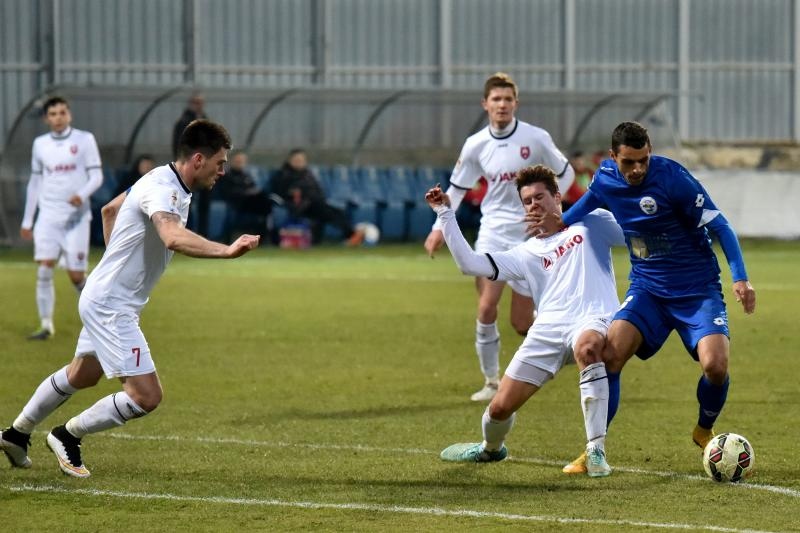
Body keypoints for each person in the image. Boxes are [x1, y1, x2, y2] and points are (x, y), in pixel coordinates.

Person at [0, 119, 260, 478]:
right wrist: (227, 251)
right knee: (146, 396)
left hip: (103, 294)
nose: (223, 170)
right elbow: (171, 236)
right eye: (220, 162)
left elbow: (109, 210)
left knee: (82, 374)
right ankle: (67, 435)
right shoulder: (165, 190)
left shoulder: (157, 177)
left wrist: (116, 263)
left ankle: (16, 433)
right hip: (112, 306)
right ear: (198, 159)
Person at [529, 121, 757, 474]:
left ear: (650, 153)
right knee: (610, 356)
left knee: (715, 366)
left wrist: (740, 278)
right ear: (612, 157)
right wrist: (557, 227)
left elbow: (720, 225)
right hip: (648, 288)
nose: (637, 169)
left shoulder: (673, 179)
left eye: (643, 161)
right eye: (628, 163)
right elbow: (586, 205)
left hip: (697, 290)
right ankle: (594, 451)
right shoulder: (605, 178)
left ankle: (703, 427)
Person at [428, 165, 625, 477]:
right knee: (499, 409)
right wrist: (445, 214)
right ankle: (490, 449)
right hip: (546, 330)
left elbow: (636, 230)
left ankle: (596, 450)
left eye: (540, 197)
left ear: (557, 196)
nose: (534, 205)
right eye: (527, 201)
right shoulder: (525, 252)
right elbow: (470, 264)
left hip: (593, 317)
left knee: (588, 348)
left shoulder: (591, 223)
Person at [423, 72, 576, 402]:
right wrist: (438, 228)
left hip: (528, 237)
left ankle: (569, 347)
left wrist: (552, 210)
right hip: (492, 232)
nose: (502, 104)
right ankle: (492, 382)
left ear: (515, 104)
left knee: (522, 323)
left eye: (508, 99)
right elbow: (458, 188)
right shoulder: (476, 144)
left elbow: (567, 172)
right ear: (486, 104)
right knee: (486, 307)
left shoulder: (536, 138)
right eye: (496, 99)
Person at [20, 96, 104, 340]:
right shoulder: (40, 144)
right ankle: (46, 326)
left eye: (62, 112)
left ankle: (101, 317)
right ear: (47, 119)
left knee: (76, 276)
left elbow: (96, 177)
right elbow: (35, 183)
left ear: (69, 115)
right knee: (44, 268)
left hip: (76, 218)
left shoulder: (84, 140)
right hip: (47, 216)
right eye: (53, 114)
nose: (58, 117)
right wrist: (28, 221)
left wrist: (81, 195)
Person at [270, 148, 364, 246]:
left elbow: (318, 190)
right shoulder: (283, 175)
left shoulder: (307, 174)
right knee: (326, 210)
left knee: (336, 212)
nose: (299, 162)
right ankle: (352, 235)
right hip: (296, 206)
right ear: (290, 160)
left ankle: (351, 235)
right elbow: (280, 193)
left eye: (302, 160)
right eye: (297, 160)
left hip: (313, 204)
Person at [172, 92, 210, 237]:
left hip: (205, 167)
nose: (199, 105)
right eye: (196, 102)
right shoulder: (183, 122)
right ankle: (186, 233)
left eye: (201, 102)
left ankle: (203, 234)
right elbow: (178, 145)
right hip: (190, 167)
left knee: (204, 203)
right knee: (186, 201)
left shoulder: (205, 120)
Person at [215, 150, 275, 238]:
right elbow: (227, 192)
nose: (240, 163)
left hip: (249, 203)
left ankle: (265, 236)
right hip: (236, 202)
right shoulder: (226, 175)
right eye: (238, 161)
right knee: (263, 202)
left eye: (242, 161)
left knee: (267, 201)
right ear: (231, 161)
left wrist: (253, 192)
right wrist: (246, 193)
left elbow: (253, 187)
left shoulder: (246, 176)